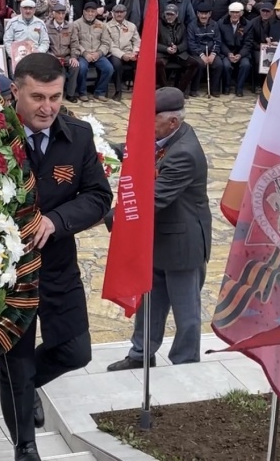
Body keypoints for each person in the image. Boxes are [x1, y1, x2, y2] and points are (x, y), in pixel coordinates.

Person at [0, 54, 112, 461]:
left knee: (75, 351)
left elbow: (99, 197)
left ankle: (24, 383)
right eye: (37, 97)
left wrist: (55, 221)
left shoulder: (79, 137)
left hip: (56, 267)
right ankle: (23, 446)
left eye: (55, 96)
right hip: (3, 273)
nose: (48, 107)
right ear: (16, 91)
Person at [106, 88, 210, 370]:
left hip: (182, 244)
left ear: (172, 122)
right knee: (149, 302)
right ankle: (141, 354)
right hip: (156, 239)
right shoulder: (161, 136)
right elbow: (134, 150)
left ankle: (186, 363)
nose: (144, 126)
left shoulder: (184, 153)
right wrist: (102, 149)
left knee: (185, 312)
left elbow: (151, 200)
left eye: (150, 120)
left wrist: (105, 215)